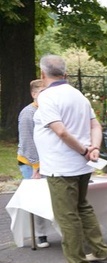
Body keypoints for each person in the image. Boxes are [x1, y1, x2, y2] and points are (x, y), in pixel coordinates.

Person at [33, 54, 107, 263]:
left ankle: (76, 261)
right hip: (81, 165)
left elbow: (60, 131)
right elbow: (95, 126)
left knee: (66, 214)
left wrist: (85, 150)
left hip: (61, 165)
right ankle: (99, 250)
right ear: (65, 73)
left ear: (42, 74)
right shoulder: (78, 95)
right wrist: (93, 148)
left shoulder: (47, 97)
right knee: (82, 207)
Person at [17, 78, 50, 248]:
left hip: (47, 161)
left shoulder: (48, 110)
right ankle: (40, 235)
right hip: (31, 163)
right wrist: (36, 166)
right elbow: (28, 141)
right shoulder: (28, 113)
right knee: (38, 199)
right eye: (42, 92)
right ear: (34, 94)